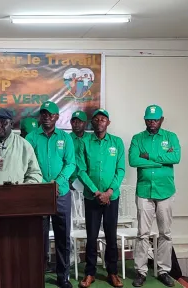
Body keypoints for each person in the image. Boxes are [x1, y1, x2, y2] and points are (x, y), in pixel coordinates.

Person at [129, 105, 181, 288]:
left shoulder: (170, 137)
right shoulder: (137, 138)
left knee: (165, 234)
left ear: (162, 120)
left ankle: (163, 271)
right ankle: (140, 272)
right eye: (149, 119)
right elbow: (134, 160)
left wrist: (149, 157)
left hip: (165, 191)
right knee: (142, 233)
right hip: (144, 192)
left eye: (156, 119)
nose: (152, 122)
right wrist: (161, 161)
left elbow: (176, 157)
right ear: (145, 120)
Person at [26, 101, 75, 288]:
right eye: (43, 114)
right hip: (38, 195)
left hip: (60, 193)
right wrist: (41, 186)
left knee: (63, 237)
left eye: (50, 114)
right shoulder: (31, 138)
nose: (46, 117)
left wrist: (58, 182)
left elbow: (70, 164)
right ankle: (38, 275)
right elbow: (28, 164)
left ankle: (63, 277)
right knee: (39, 238)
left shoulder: (65, 138)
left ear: (56, 117)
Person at [76, 109, 125, 288]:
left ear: (108, 123)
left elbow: (120, 170)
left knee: (111, 236)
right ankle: (90, 273)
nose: (99, 122)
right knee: (92, 236)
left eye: (103, 119)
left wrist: (109, 192)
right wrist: (97, 192)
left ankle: (112, 273)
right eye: (96, 119)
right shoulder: (84, 143)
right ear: (92, 123)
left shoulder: (117, 142)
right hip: (92, 197)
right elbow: (81, 170)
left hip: (112, 197)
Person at [69, 110, 90, 189]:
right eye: (74, 121)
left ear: (85, 123)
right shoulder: (66, 139)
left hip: (89, 181)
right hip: (70, 181)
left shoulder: (90, 139)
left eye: (80, 121)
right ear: (71, 122)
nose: (77, 124)